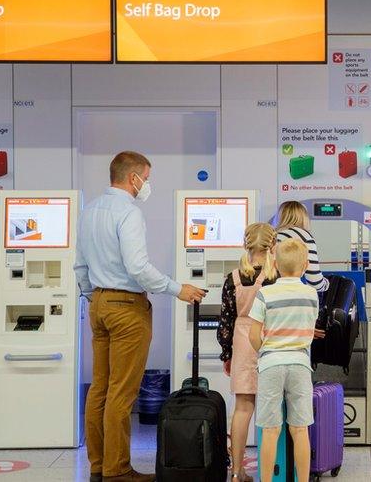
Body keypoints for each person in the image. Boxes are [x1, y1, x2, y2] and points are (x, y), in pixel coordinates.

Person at [75, 151, 206, 482]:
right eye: (146, 178)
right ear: (132, 177)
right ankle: (117, 470)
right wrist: (179, 289)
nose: (147, 184)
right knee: (122, 392)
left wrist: (97, 297)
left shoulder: (89, 211)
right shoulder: (128, 213)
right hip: (126, 309)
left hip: (99, 304)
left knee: (100, 389)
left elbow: (80, 265)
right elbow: (137, 267)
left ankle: (98, 467)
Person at [249, 239, 320, 482]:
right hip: (300, 364)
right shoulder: (311, 294)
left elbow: (252, 334)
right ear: (306, 265)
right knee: (300, 429)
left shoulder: (265, 294)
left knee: (270, 430)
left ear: (276, 264)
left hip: (271, 365)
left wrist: (266, 350)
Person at [217, 223, 278, 482]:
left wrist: (226, 354)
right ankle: (273, 470)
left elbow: (225, 322)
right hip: (269, 342)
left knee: (242, 409)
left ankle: (236, 471)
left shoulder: (232, 278)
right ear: (272, 246)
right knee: (272, 410)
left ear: (246, 245)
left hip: (241, 344)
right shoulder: (276, 277)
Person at [275, 200, 329, 292]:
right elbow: (315, 283)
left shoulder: (273, 236)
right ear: (304, 217)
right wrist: (327, 284)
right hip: (291, 295)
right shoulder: (304, 237)